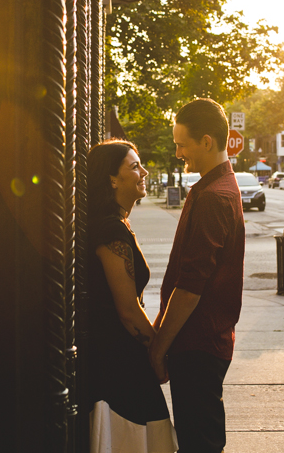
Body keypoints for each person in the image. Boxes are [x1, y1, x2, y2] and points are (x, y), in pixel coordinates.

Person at [149, 99, 245, 453]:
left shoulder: (213, 197)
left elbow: (190, 287)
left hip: (198, 346)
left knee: (199, 444)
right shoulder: (215, 187)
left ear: (206, 142)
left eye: (182, 143)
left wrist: (159, 347)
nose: (178, 153)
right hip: (204, 343)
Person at [87, 138, 177, 453]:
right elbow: (127, 310)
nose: (144, 171)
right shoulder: (111, 231)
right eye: (134, 166)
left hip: (113, 357)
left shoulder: (112, 225)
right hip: (118, 363)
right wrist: (158, 350)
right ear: (112, 179)